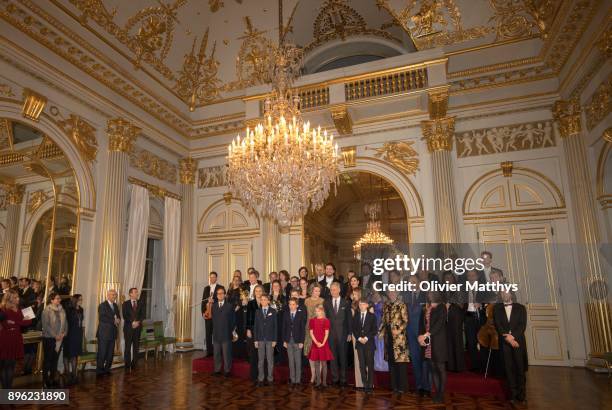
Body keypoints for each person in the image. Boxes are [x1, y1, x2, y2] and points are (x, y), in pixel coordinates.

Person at [494, 290, 528, 406]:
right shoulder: (497, 309)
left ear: (511, 294)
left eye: (506, 292)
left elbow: (522, 325)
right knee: (509, 369)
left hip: (518, 342)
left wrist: (512, 337)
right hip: (504, 343)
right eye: (502, 293)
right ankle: (513, 395)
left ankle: (522, 395)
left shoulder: (521, 308)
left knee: (520, 368)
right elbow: (498, 325)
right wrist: (508, 339)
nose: (504, 295)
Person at [418, 291, 448, 404]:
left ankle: (441, 393)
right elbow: (422, 324)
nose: (429, 294)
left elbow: (439, 324)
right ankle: (437, 393)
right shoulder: (427, 307)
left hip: (438, 342)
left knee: (440, 368)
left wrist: (427, 334)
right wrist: (420, 336)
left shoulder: (441, 307)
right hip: (428, 341)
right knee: (433, 367)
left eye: (431, 292)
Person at [0, 289, 32, 389]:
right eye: (15, 297)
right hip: (5, 338)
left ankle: (7, 391)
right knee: (4, 365)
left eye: (18, 297)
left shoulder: (21, 308)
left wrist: (15, 322)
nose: (18, 299)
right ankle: (6, 390)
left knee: (11, 366)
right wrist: (18, 321)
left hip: (16, 338)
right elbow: (5, 323)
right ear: (9, 298)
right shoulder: (3, 309)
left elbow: (29, 322)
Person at [381, 289, 409, 394]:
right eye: (390, 292)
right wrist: (381, 332)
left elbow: (406, 321)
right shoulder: (386, 305)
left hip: (399, 339)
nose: (391, 294)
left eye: (393, 292)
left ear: (397, 293)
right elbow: (383, 320)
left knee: (400, 364)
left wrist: (398, 330)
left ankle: (402, 387)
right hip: (388, 337)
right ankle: (394, 386)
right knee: (391, 362)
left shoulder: (401, 304)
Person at [405, 274, 429, 396]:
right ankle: (419, 386)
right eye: (410, 282)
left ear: (419, 282)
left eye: (414, 282)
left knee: (424, 359)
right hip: (410, 332)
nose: (412, 284)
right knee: (415, 360)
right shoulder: (407, 296)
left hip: (423, 333)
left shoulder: (426, 295)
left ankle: (427, 387)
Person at [323, 282, 350, 387]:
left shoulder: (346, 303)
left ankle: (343, 379)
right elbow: (325, 319)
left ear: (339, 290)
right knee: (333, 358)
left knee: (343, 357)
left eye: (334, 289)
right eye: (331, 290)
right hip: (330, 335)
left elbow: (348, 320)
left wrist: (349, 333)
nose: (332, 291)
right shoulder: (327, 303)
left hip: (343, 334)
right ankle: (335, 379)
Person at [42, 292, 67, 388]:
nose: (59, 300)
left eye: (59, 298)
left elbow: (66, 323)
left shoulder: (62, 310)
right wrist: (55, 335)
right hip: (49, 338)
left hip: (60, 338)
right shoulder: (46, 310)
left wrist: (63, 333)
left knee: (55, 360)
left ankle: (53, 378)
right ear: (51, 300)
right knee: (47, 360)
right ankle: (45, 380)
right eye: (57, 298)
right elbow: (46, 325)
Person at [353, 297, 377, 394]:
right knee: (362, 365)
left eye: (363, 304)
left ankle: (370, 385)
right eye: (360, 304)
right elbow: (354, 329)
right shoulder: (356, 315)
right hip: (359, 344)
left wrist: (366, 338)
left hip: (369, 344)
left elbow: (374, 330)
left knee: (370, 365)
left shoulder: (372, 316)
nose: (361, 306)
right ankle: (365, 385)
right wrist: (359, 338)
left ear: (367, 305)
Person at [463, 269, 486, 371]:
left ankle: (484, 365)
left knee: (482, 341)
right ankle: (475, 366)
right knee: (471, 342)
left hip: (480, 317)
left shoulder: (484, 288)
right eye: (469, 276)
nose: (471, 278)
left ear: (477, 277)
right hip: (469, 317)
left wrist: (481, 304)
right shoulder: (463, 289)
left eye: (473, 275)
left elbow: (490, 301)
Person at [443, 272, 465, 372]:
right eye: (446, 278)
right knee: (448, 342)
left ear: (453, 278)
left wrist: (450, 302)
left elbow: (461, 305)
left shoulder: (458, 288)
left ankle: (459, 366)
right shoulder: (442, 290)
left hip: (456, 317)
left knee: (457, 340)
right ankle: (451, 366)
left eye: (450, 277)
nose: (448, 279)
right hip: (445, 319)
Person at [308, 304, 333, 388]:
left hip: (323, 344)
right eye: (316, 311)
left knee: (324, 363)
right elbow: (311, 333)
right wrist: (316, 342)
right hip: (315, 344)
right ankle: (318, 381)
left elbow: (327, 333)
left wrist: (322, 343)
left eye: (318, 311)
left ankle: (324, 382)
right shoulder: (312, 320)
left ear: (322, 311)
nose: (317, 312)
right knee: (316, 363)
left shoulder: (326, 321)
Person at [96, 289, 120, 375]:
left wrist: (118, 320)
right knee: (102, 352)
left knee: (110, 353)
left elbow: (118, 317)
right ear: (108, 295)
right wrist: (114, 321)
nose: (114, 296)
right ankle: (99, 370)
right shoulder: (102, 305)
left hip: (112, 333)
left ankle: (107, 369)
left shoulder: (116, 306)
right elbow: (102, 318)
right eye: (113, 295)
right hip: (104, 333)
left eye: (115, 295)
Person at [254, 294, 277, 386]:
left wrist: (275, 339)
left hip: (270, 339)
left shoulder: (273, 311)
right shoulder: (257, 311)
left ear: (268, 301)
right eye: (261, 299)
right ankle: (260, 378)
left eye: (265, 300)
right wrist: (255, 340)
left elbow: (275, 326)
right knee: (260, 360)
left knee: (270, 360)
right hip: (260, 339)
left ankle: (270, 379)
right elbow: (255, 326)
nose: (263, 301)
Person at [283, 297, 306, 386]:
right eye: (290, 304)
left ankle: (298, 379)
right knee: (291, 361)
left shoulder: (300, 315)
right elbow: (284, 328)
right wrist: (284, 340)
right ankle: (292, 379)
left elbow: (302, 329)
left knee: (298, 360)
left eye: (293, 304)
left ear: (297, 305)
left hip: (297, 340)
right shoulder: (286, 314)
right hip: (288, 340)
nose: (291, 306)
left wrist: (301, 341)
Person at [212, 286, 235, 377]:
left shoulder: (229, 306)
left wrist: (231, 331)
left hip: (226, 333)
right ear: (216, 295)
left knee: (226, 354)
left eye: (222, 293)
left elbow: (233, 320)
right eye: (218, 294)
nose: (220, 295)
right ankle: (217, 370)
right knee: (216, 353)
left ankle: (227, 370)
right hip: (216, 334)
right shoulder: (213, 306)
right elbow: (213, 319)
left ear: (225, 295)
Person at [304, 283, 324, 383]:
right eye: (315, 290)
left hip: (319, 328)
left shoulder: (322, 301)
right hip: (308, 328)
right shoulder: (306, 301)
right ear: (311, 290)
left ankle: (318, 376)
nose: (317, 293)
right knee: (311, 353)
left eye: (319, 291)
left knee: (319, 352)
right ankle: (313, 375)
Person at [63, 294, 84, 385]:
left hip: (78, 334)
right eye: (79, 299)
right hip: (69, 334)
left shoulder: (81, 309)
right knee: (68, 354)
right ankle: (67, 374)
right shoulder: (69, 309)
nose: (81, 300)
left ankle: (74, 375)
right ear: (75, 300)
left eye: (81, 299)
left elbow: (80, 321)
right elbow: (65, 322)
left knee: (75, 354)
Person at [122, 287, 145, 370]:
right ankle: (127, 364)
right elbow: (125, 316)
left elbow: (142, 315)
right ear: (130, 294)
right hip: (128, 328)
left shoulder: (141, 303)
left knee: (136, 346)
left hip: (137, 328)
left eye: (137, 292)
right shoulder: (125, 304)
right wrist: (132, 322)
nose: (137, 293)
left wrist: (138, 322)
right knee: (127, 347)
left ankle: (134, 363)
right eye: (135, 292)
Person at [245, 284, 263, 381]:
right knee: (253, 354)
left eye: (260, 291)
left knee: (261, 354)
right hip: (252, 330)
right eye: (256, 291)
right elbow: (248, 317)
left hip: (263, 331)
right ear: (254, 292)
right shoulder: (250, 303)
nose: (258, 293)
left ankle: (261, 376)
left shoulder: (265, 302)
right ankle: (253, 375)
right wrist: (248, 329)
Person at [228, 275, 248, 360]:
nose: (236, 281)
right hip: (230, 313)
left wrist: (238, 306)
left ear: (240, 282)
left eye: (238, 280)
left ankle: (240, 352)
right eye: (234, 280)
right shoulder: (229, 290)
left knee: (239, 331)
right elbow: (227, 302)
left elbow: (244, 301)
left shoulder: (242, 290)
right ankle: (233, 352)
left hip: (238, 313)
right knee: (231, 331)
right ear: (232, 281)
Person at [201, 271, 219, 358]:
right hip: (208, 313)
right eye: (211, 277)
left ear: (216, 278)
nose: (212, 279)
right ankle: (209, 352)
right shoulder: (206, 288)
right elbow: (203, 302)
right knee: (208, 333)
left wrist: (214, 300)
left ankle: (217, 351)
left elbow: (222, 300)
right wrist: (203, 313)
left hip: (216, 314)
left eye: (214, 277)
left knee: (216, 333)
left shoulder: (220, 287)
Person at [349, 288, 363, 389]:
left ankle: (367, 382)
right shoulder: (352, 305)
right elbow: (352, 320)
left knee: (364, 358)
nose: (354, 296)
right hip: (355, 333)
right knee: (357, 358)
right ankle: (359, 383)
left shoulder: (364, 303)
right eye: (353, 294)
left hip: (364, 333)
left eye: (355, 294)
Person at [372, 291, 388, 372]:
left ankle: (383, 365)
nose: (375, 295)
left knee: (381, 347)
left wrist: (381, 329)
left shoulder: (382, 304)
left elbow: (384, 318)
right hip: (374, 329)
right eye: (374, 294)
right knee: (376, 348)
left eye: (377, 294)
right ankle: (377, 365)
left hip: (381, 329)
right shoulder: (372, 305)